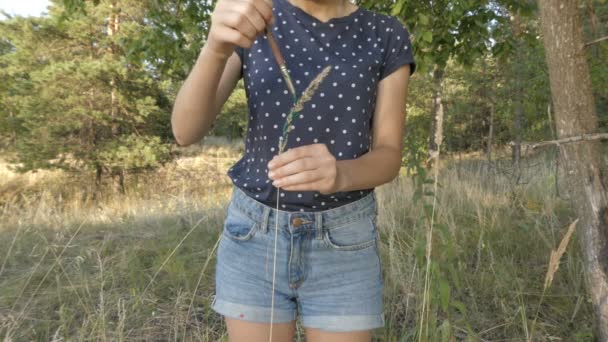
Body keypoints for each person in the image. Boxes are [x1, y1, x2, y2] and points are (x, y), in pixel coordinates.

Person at [171, 0, 415, 340]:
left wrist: (341, 174)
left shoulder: (385, 33)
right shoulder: (255, 17)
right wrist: (215, 46)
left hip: (345, 241)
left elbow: (389, 155)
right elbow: (185, 131)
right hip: (254, 236)